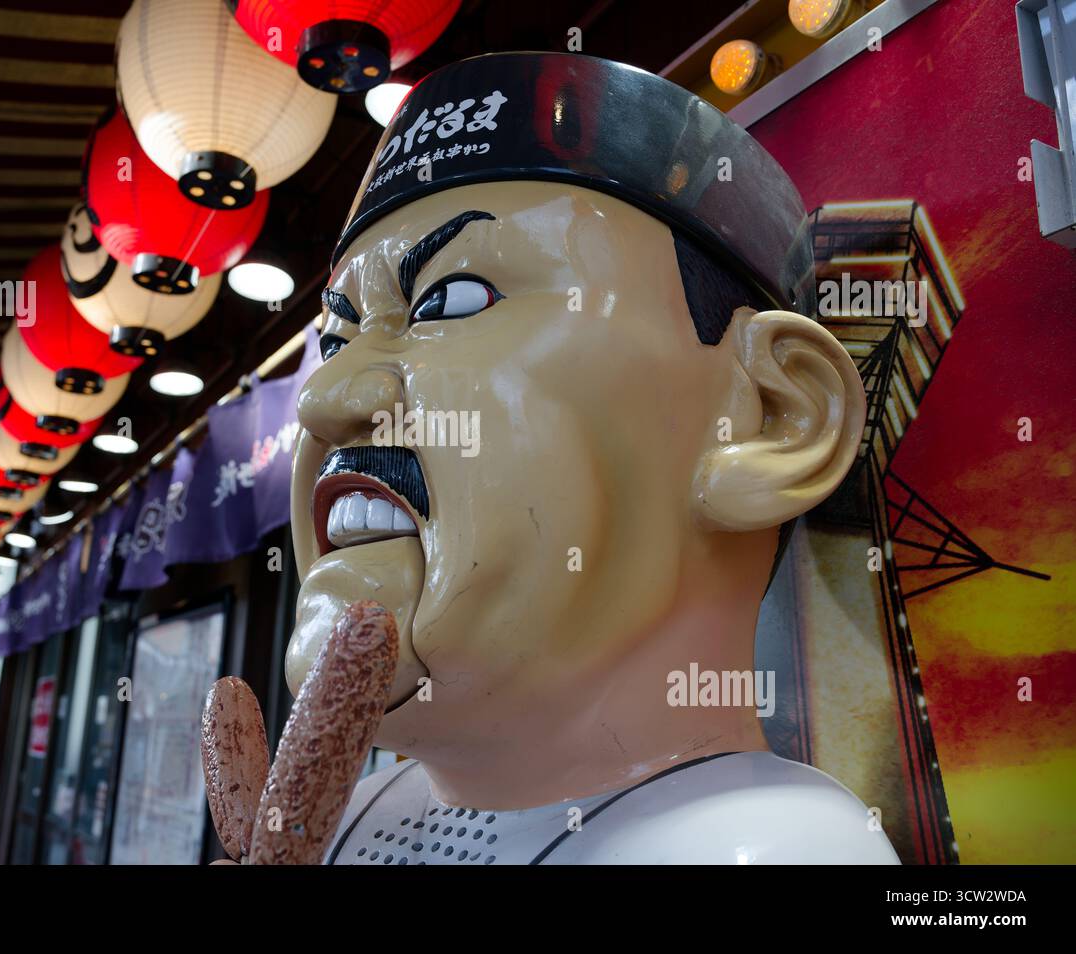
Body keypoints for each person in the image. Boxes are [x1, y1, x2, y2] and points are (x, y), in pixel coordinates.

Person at [284, 52, 896, 864]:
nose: (323, 396)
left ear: (777, 419)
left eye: (453, 299)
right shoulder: (331, 827)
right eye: (337, 336)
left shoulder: (769, 849)